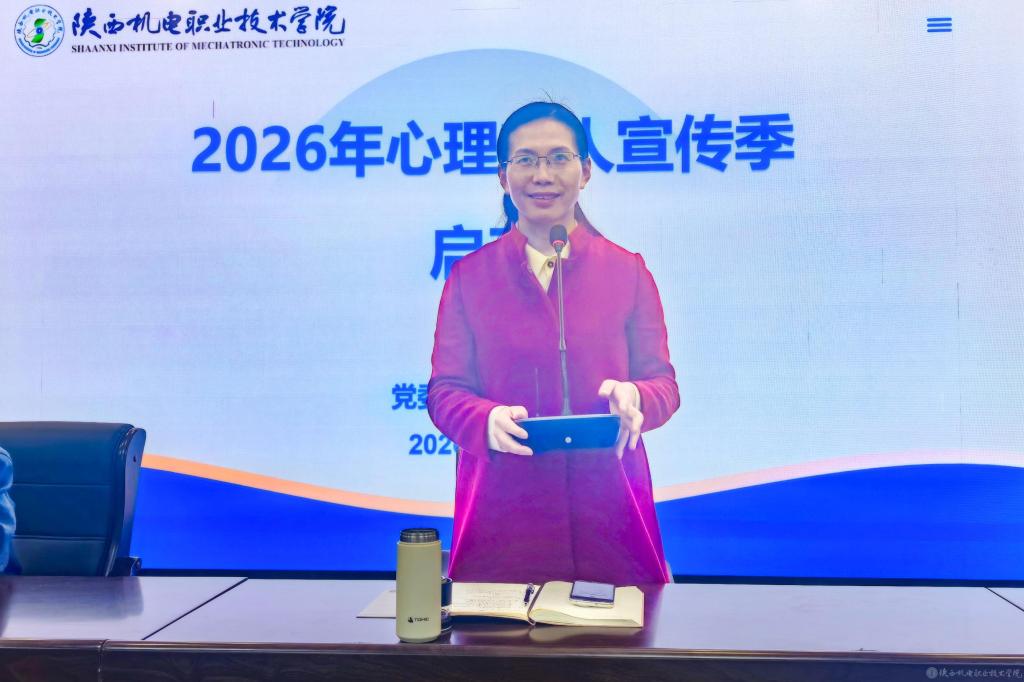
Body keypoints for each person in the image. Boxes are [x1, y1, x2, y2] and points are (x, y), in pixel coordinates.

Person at [427, 101, 679, 585]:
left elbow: (663, 384)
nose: (542, 175)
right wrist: (485, 420)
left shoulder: (626, 271)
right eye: (525, 160)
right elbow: (444, 392)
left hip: (611, 514)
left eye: (559, 158)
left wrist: (637, 397)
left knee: (622, 634)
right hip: (503, 515)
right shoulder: (470, 277)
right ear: (503, 177)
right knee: (497, 637)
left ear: (586, 171)